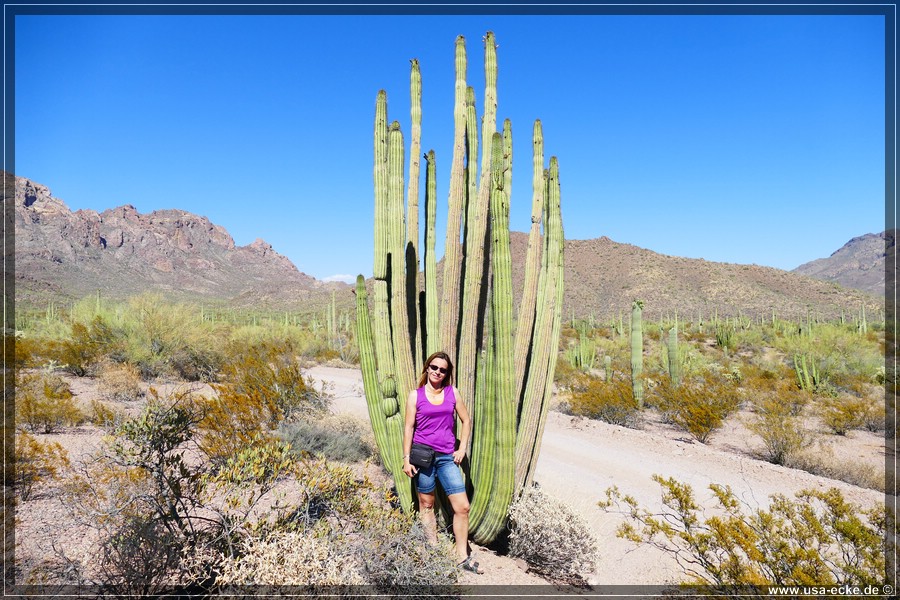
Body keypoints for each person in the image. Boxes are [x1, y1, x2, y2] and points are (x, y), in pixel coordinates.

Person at [402, 351, 483, 574]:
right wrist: (406, 458)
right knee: (426, 504)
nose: (438, 372)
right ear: (427, 368)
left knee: (462, 507)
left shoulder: (452, 392)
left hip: (447, 458)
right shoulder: (415, 396)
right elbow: (409, 428)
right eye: (434, 367)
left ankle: (462, 557)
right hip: (423, 458)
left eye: (443, 369)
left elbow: (466, 421)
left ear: (447, 373)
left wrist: (462, 448)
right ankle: (433, 550)